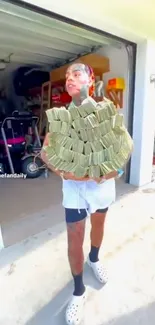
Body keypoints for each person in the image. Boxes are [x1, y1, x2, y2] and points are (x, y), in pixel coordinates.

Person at [41, 63, 121, 325]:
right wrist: (66, 173)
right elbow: (45, 152)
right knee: (74, 237)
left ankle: (95, 258)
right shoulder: (61, 117)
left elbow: (120, 152)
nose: (70, 79)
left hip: (100, 187)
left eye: (76, 74)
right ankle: (78, 290)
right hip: (74, 189)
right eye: (67, 76)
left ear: (91, 79)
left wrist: (112, 170)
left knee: (98, 226)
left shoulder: (106, 112)